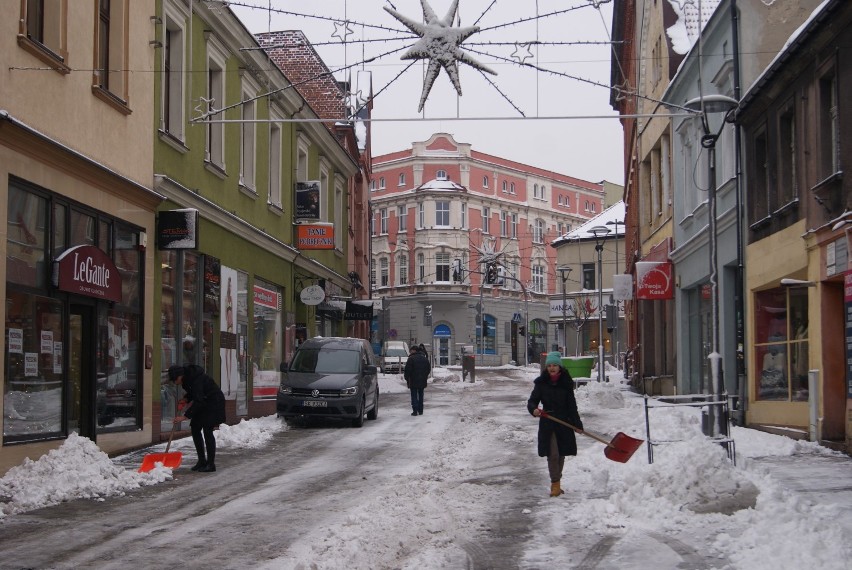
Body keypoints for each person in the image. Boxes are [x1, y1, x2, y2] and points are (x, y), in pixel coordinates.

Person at [527, 351, 583, 497]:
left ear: (560, 367)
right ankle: (555, 484)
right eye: (549, 365)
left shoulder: (566, 383)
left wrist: (577, 424)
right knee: (553, 454)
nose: (552, 368)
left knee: (561, 454)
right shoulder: (541, 383)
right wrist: (534, 410)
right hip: (548, 422)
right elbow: (532, 401)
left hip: (564, 422)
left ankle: (557, 482)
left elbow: (572, 406)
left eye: (555, 365)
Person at [169, 364, 226, 472]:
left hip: (214, 403)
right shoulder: (187, 379)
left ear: (180, 376)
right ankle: (201, 461)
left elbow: (199, 399)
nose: (174, 382)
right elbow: (193, 393)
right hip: (204, 402)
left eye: (174, 379)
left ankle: (210, 464)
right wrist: (186, 399)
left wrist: (184, 416)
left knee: (207, 431)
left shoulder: (196, 379)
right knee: (195, 428)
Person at [403, 345, 430, 416]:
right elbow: (428, 369)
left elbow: (407, 370)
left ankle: (415, 410)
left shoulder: (411, 359)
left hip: (413, 380)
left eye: (411, 351)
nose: (410, 352)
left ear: (414, 350)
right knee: (421, 395)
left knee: (414, 395)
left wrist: (407, 378)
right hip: (422, 380)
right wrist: (425, 376)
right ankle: (420, 410)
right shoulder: (424, 358)